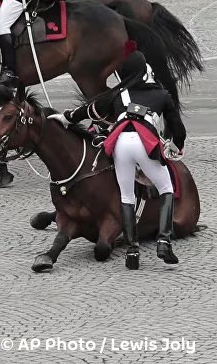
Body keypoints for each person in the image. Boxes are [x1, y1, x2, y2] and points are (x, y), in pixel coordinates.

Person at [49, 45, 186, 269]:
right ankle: (164, 240)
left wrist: (66, 118)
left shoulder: (118, 94)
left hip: (120, 142)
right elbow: (178, 130)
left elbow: (89, 110)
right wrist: (177, 146)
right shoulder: (161, 95)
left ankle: (132, 251)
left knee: (126, 195)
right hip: (144, 141)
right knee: (166, 187)